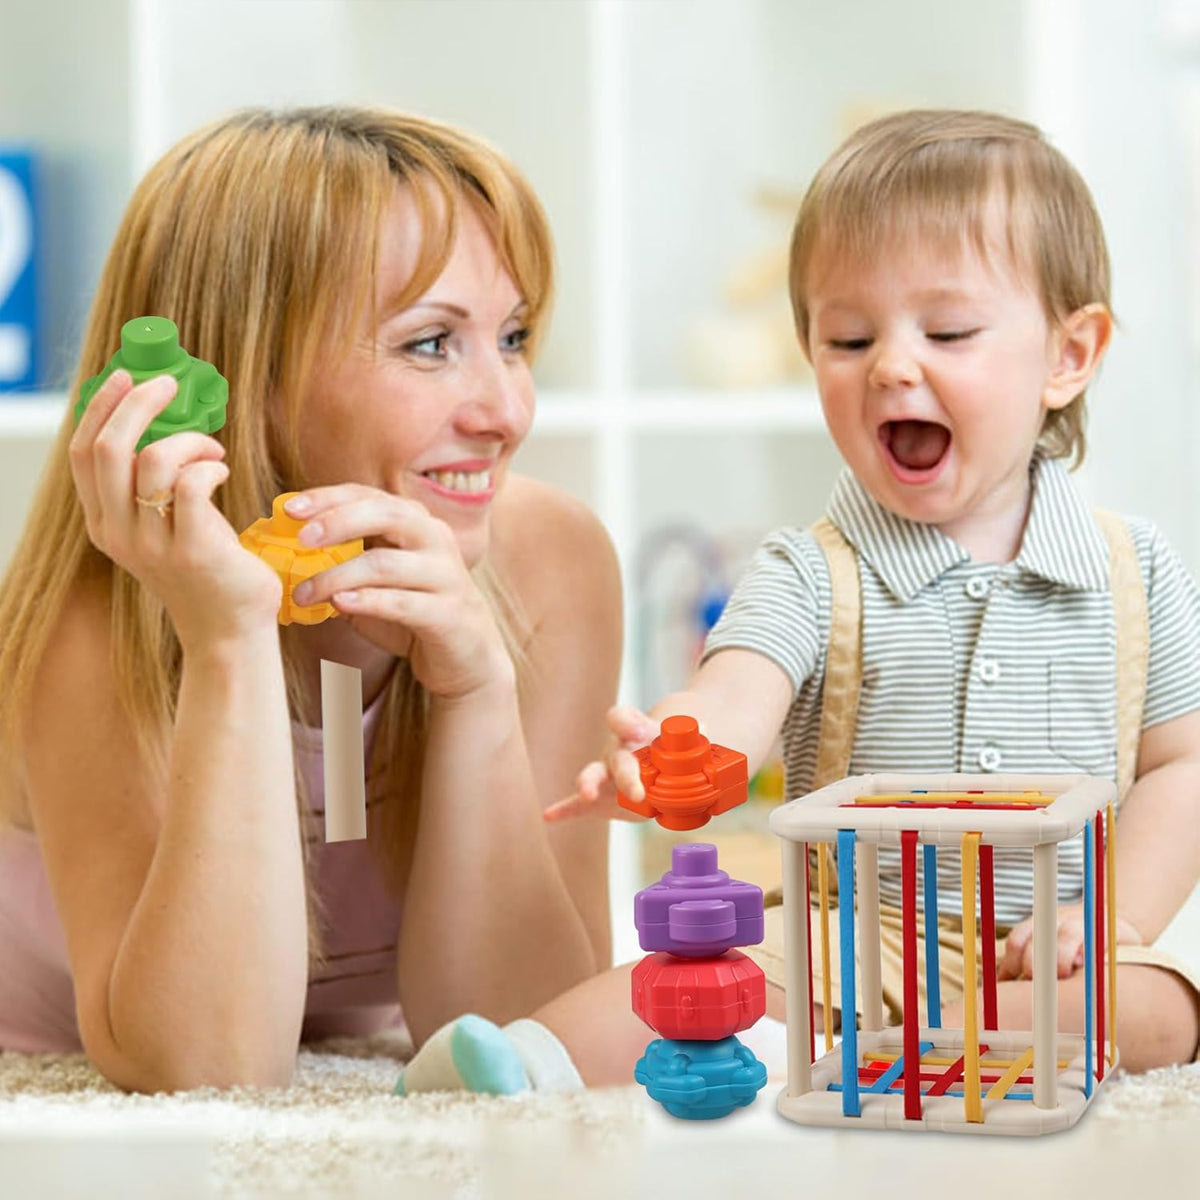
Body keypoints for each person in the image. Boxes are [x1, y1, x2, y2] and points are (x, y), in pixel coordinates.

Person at [394, 108, 1200, 1096]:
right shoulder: (813, 571)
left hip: (1062, 949)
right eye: (849, 337)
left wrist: (1113, 921)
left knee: (1159, 1011)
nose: (893, 365)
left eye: (947, 331)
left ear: (1070, 356)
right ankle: (524, 1063)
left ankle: (901, 1059)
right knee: (695, 981)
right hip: (852, 937)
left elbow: (1181, 767)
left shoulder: (1137, 569)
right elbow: (738, 696)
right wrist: (680, 756)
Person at [0, 106, 622, 1095]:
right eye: (429, 345)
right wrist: (227, 637)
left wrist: (473, 694)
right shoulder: (89, 621)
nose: (505, 412)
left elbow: (522, 1040)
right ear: (242, 374)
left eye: (511, 337)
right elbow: (205, 1071)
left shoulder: (551, 559)